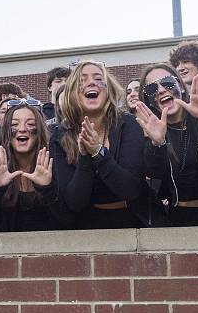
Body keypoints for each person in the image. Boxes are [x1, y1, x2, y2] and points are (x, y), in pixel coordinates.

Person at [135, 64, 198, 226]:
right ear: (149, 100)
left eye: (167, 83)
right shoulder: (149, 127)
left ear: (181, 87)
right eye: (151, 89)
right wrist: (157, 143)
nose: (161, 90)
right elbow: (152, 172)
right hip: (181, 217)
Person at [50, 61, 148, 229]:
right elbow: (74, 202)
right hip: (86, 231)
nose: (91, 82)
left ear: (108, 89)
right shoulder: (60, 136)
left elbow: (130, 189)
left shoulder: (129, 124)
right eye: (82, 80)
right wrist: (85, 158)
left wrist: (98, 153)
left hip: (134, 224)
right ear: (73, 91)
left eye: (98, 78)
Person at [0, 101, 64, 231]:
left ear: (39, 131)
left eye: (30, 124)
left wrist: (47, 188)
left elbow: (67, 219)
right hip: (8, 247)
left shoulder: (52, 162)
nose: (22, 129)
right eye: (14, 125)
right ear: (6, 132)